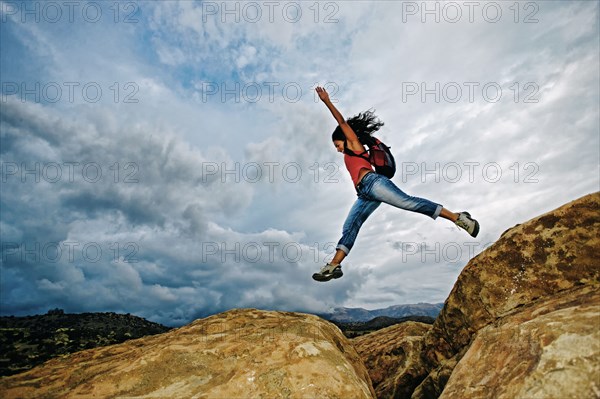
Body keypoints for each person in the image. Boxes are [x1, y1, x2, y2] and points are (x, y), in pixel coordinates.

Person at [312, 86, 480, 282]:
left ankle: (458, 217)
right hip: (364, 194)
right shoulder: (349, 152)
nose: (337, 149)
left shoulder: (354, 145)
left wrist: (327, 101)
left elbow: (341, 121)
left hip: (374, 183)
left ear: (344, 139)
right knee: (350, 226)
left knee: (408, 202)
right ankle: (333, 266)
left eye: (337, 145)